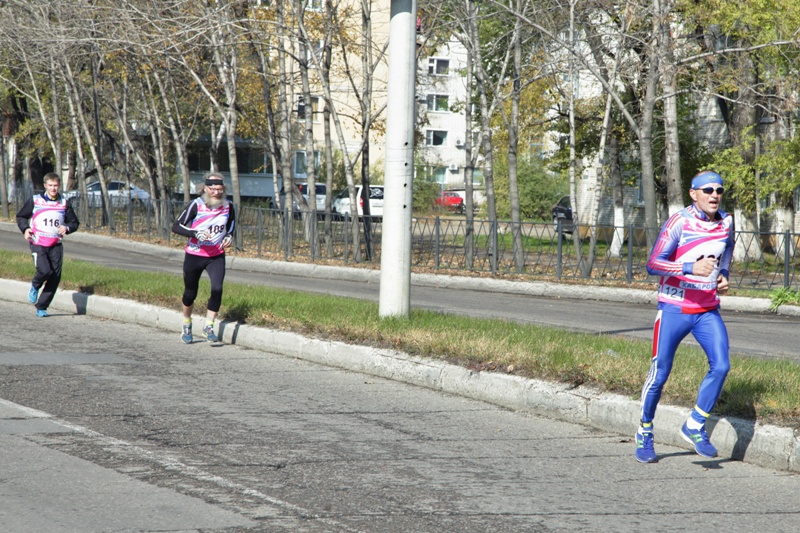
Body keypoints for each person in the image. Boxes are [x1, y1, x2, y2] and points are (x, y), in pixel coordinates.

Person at [635, 170, 735, 463]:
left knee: (722, 366)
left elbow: (727, 248)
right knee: (660, 374)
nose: (715, 195)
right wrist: (690, 268)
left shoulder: (727, 221)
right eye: (708, 190)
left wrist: (724, 274)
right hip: (674, 309)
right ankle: (644, 432)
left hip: (706, 309)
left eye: (719, 189)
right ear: (694, 194)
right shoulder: (680, 221)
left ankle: (694, 424)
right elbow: (653, 263)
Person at [171, 172, 236, 344]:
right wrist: (195, 233)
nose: (217, 193)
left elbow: (231, 226)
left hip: (216, 255)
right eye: (213, 189)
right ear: (205, 189)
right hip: (195, 255)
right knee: (190, 293)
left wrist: (229, 237)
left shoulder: (228, 206)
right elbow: (176, 226)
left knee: (217, 289)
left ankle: (209, 326)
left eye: (220, 189)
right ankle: (186, 323)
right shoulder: (196, 205)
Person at [16, 172, 80, 318]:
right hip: (38, 242)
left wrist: (67, 228)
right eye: (50, 185)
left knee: (55, 276)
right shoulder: (36, 200)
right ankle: (35, 285)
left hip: (56, 244)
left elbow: (74, 222)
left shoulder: (64, 203)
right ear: (45, 185)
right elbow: (21, 216)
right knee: (45, 271)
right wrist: (25, 229)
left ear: (59, 186)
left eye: (56, 185)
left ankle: (42, 307)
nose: (53, 188)